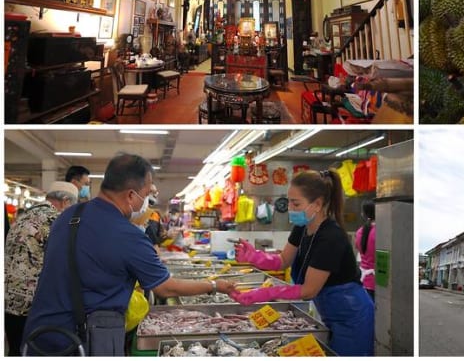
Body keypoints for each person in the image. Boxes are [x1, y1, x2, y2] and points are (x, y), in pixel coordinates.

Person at [22, 153, 237, 356]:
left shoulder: (68, 215)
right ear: (131, 195)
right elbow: (165, 287)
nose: (146, 203)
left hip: (38, 335)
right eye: (145, 195)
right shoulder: (128, 235)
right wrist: (215, 285)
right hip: (82, 342)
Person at [231, 169, 374, 356]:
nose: (290, 208)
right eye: (289, 201)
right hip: (328, 311)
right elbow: (282, 261)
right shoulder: (302, 227)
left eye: (296, 203)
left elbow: (308, 290)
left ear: (317, 204)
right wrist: (253, 257)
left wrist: (265, 293)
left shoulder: (331, 237)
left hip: (352, 316)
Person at [5, 181, 78, 356]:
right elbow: (65, 259)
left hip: (9, 300)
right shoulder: (55, 219)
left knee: (15, 351)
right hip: (33, 304)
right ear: (66, 201)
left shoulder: (24, 218)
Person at [354, 200, 376, 301]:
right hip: (377, 281)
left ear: (363, 214)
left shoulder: (359, 232)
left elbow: (358, 249)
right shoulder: (380, 231)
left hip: (363, 281)